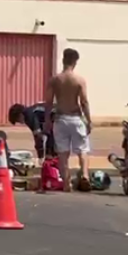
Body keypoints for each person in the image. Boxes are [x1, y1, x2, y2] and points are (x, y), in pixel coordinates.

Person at [43, 48, 92, 192]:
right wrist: (89, 120)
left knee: (63, 153)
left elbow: (49, 102)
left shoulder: (55, 80)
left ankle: (66, 183)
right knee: (82, 150)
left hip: (60, 119)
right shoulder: (79, 80)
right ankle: (85, 175)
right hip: (76, 118)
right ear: (75, 62)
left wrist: (47, 120)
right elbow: (84, 102)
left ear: (63, 60)